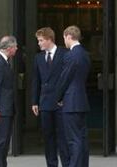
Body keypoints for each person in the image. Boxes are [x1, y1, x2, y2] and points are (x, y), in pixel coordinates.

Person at [31, 27, 69, 167]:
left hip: (61, 103)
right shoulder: (38, 57)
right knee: (48, 137)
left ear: (49, 40)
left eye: (41, 40)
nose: (39, 43)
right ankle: (51, 164)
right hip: (45, 103)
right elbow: (36, 80)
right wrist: (34, 101)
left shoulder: (64, 53)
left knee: (63, 137)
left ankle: (67, 164)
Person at [55, 25, 90, 167]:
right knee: (81, 138)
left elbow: (64, 79)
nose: (64, 41)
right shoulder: (85, 54)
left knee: (73, 140)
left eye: (64, 38)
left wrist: (58, 97)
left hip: (71, 102)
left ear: (69, 36)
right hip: (81, 100)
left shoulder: (71, 55)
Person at [0, 35, 18, 167]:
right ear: (9, 48)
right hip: (1, 109)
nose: (17, 49)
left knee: (4, 142)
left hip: (5, 108)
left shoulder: (4, 61)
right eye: (15, 46)